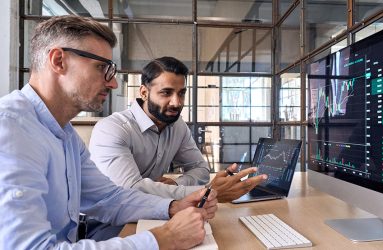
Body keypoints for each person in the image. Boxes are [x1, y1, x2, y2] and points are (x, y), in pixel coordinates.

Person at [0, 15, 218, 249]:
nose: (113, 83)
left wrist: (174, 206)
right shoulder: (11, 129)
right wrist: (164, 239)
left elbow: (108, 198)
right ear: (58, 60)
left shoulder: (65, 134)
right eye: (102, 67)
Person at [89, 57, 267, 202]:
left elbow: (200, 169)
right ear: (144, 93)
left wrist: (175, 186)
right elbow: (130, 190)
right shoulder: (112, 129)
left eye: (181, 93)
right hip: (107, 226)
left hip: (153, 213)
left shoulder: (177, 125)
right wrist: (208, 192)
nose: (177, 102)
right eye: (166, 93)